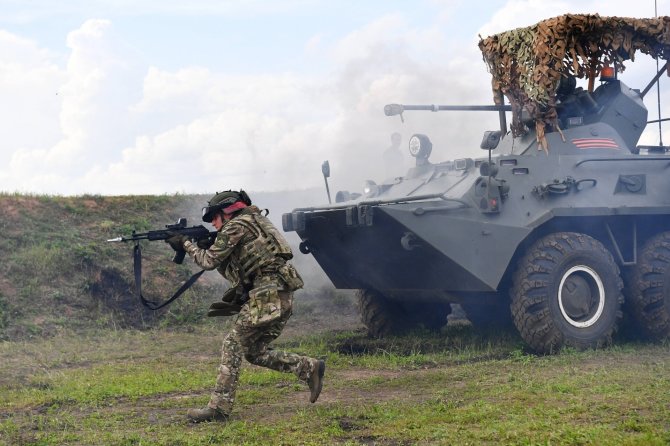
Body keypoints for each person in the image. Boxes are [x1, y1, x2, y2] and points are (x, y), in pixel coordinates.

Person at [165, 190, 325, 423]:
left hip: (268, 293)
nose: (213, 224)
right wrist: (206, 244)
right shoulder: (255, 222)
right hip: (278, 292)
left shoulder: (236, 226)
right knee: (253, 351)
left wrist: (187, 244)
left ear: (227, 212)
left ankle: (218, 409)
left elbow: (208, 261)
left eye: (214, 218)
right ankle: (309, 368)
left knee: (233, 342)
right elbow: (235, 269)